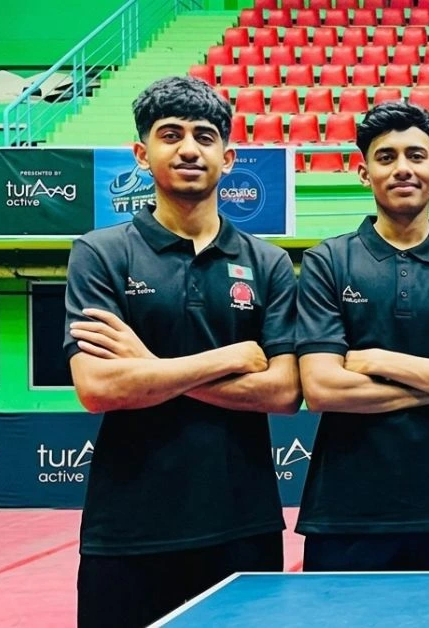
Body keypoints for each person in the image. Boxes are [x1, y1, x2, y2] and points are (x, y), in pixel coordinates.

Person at [64, 76, 300, 628]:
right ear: (141, 154)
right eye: (170, 135)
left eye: (204, 136)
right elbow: (97, 388)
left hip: (243, 526)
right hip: (126, 530)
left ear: (228, 157)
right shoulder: (100, 254)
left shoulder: (267, 263)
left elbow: (285, 392)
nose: (189, 148)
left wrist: (148, 369)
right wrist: (231, 356)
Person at [294, 102, 429, 571]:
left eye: (416, 155)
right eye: (386, 157)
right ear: (363, 173)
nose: (402, 168)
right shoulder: (328, 262)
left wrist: (377, 360)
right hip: (344, 512)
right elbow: (323, 388)